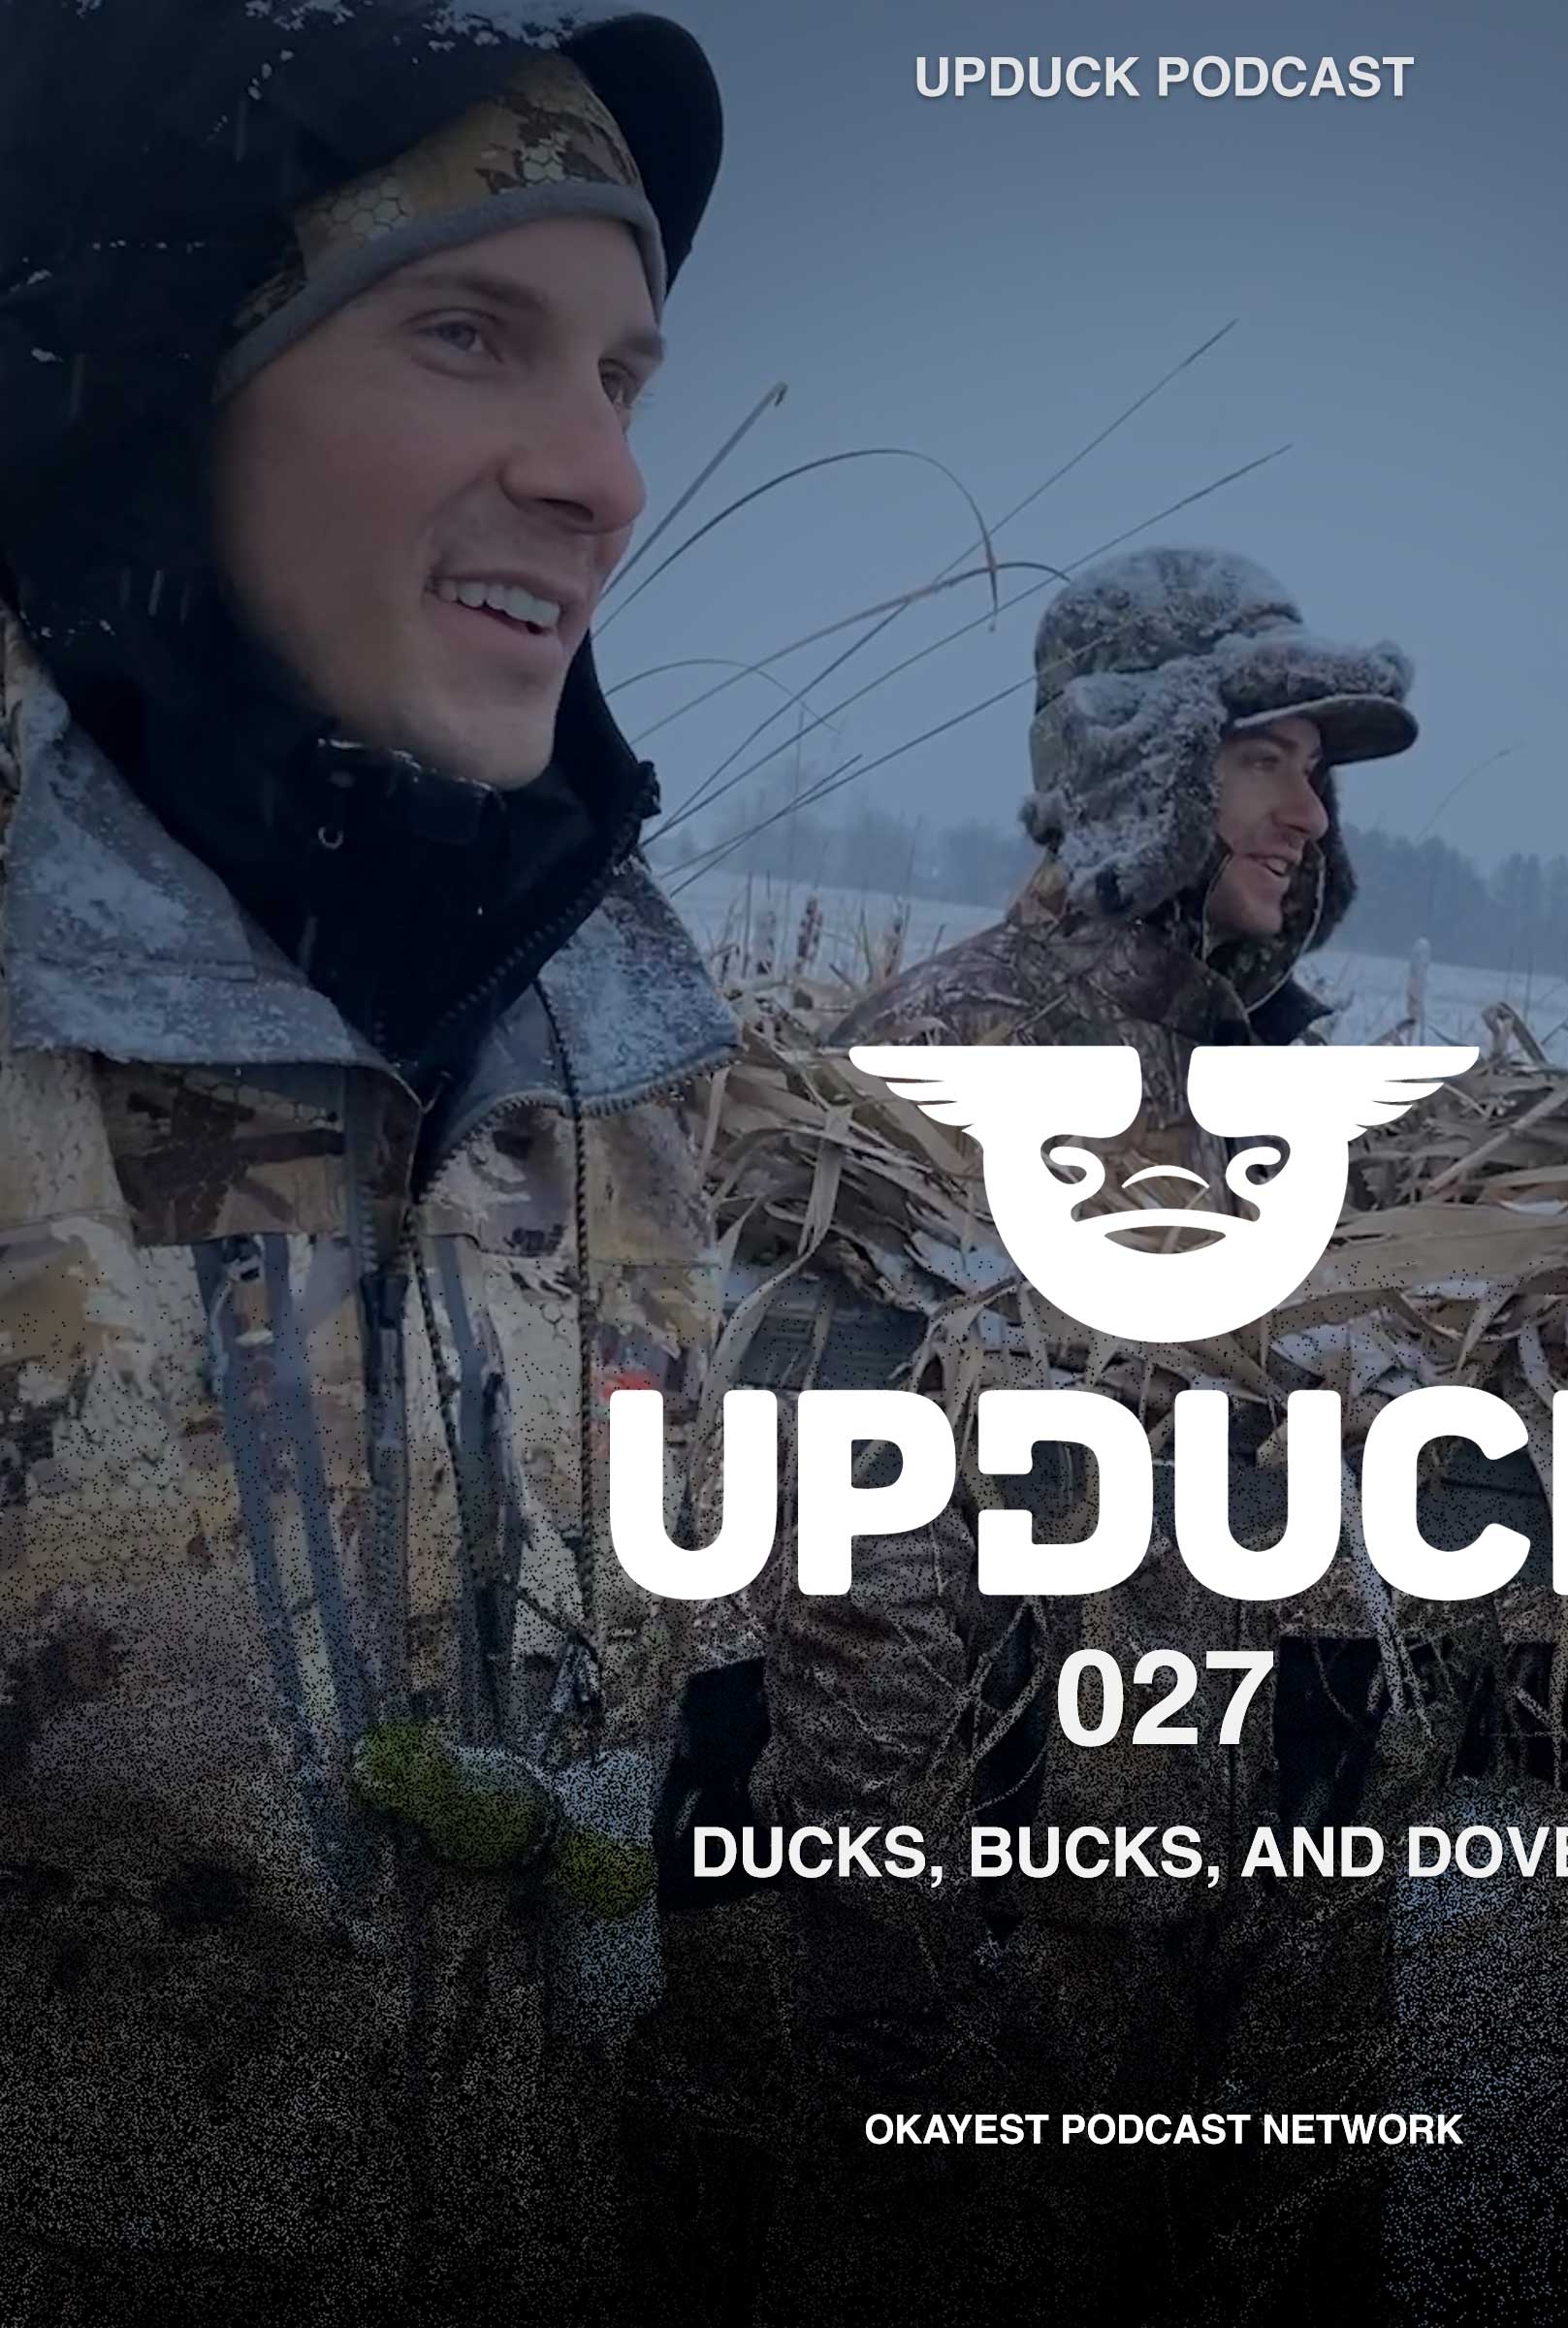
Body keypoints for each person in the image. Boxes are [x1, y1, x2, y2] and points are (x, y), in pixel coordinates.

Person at [0, 3, 734, 2318]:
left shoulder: (609, 1064)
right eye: (466, 332)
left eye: (622, 377)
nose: (603, 475)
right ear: (154, 379)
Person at [725, 547, 1446, 2322]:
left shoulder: (1267, 1079)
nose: (1309, 813)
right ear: (1146, 764)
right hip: (1035, 1969)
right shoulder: (951, 1065)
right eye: (1264, 757)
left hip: (1255, 1943)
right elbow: (850, 1567)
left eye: (1318, 771)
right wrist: (902, 2025)